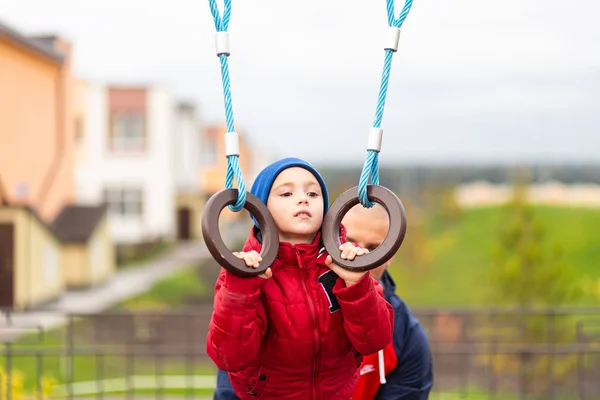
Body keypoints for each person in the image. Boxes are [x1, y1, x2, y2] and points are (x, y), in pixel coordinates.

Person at [207, 157, 394, 400]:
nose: (303, 198)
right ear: (260, 208)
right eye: (286, 194)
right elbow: (229, 356)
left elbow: (374, 341)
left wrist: (358, 286)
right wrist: (240, 288)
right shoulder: (244, 271)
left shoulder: (343, 263)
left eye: (313, 194)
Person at [346, 204, 433, 400]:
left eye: (374, 248)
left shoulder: (405, 333)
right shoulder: (288, 305)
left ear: (390, 255)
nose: (360, 255)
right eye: (349, 242)